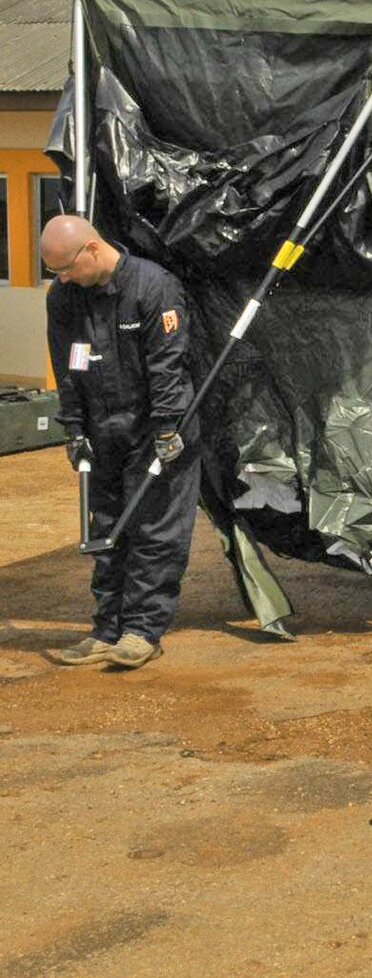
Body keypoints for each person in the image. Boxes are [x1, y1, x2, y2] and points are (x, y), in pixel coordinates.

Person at [40, 215, 201, 671]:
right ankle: (106, 629)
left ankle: (142, 631)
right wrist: (73, 428)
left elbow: (167, 365)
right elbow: (66, 365)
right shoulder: (65, 297)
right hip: (101, 429)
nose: (62, 278)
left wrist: (168, 427)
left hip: (158, 431)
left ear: (91, 250)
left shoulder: (154, 288)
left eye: (67, 268)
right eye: (56, 273)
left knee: (153, 531)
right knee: (106, 529)